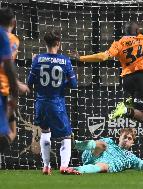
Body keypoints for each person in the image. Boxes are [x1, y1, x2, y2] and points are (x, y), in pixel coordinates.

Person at [72, 19, 143, 122]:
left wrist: (81, 58)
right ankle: (125, 109)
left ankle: (127, 106)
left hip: (127, 80)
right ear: (136, 31)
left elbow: (102, 57)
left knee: (136, 112)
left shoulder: (119, 43)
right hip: (141, 77)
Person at [27, 30, 78, 175]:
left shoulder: (37, 59)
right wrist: (62, 82)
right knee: (66, 136)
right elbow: (74, 84)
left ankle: (46, 166)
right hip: (57, 103)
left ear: (45, 43)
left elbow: (30, 82)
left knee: (45, 131)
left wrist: (33, 64)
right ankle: (63, 166)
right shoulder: (65, 60)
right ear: (58, 43)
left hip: (41, 103)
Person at [62, 128, 143, 175]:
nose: (126, 140)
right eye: (124, 137)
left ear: (132, 143)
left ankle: (76, 169)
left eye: (129, 138)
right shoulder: (109, 141)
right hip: (92, 155)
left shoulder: (131, 158)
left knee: (103, 166)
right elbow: (97, 145)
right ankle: (73, 144)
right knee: (102, 144)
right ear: (119, 137)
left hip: (101, 166)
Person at [0, 7, 19, 152]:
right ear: (14, 22)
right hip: (3, 89)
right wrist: (16, 90)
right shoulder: (9, 38)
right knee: (9, 135)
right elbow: (7, 65)